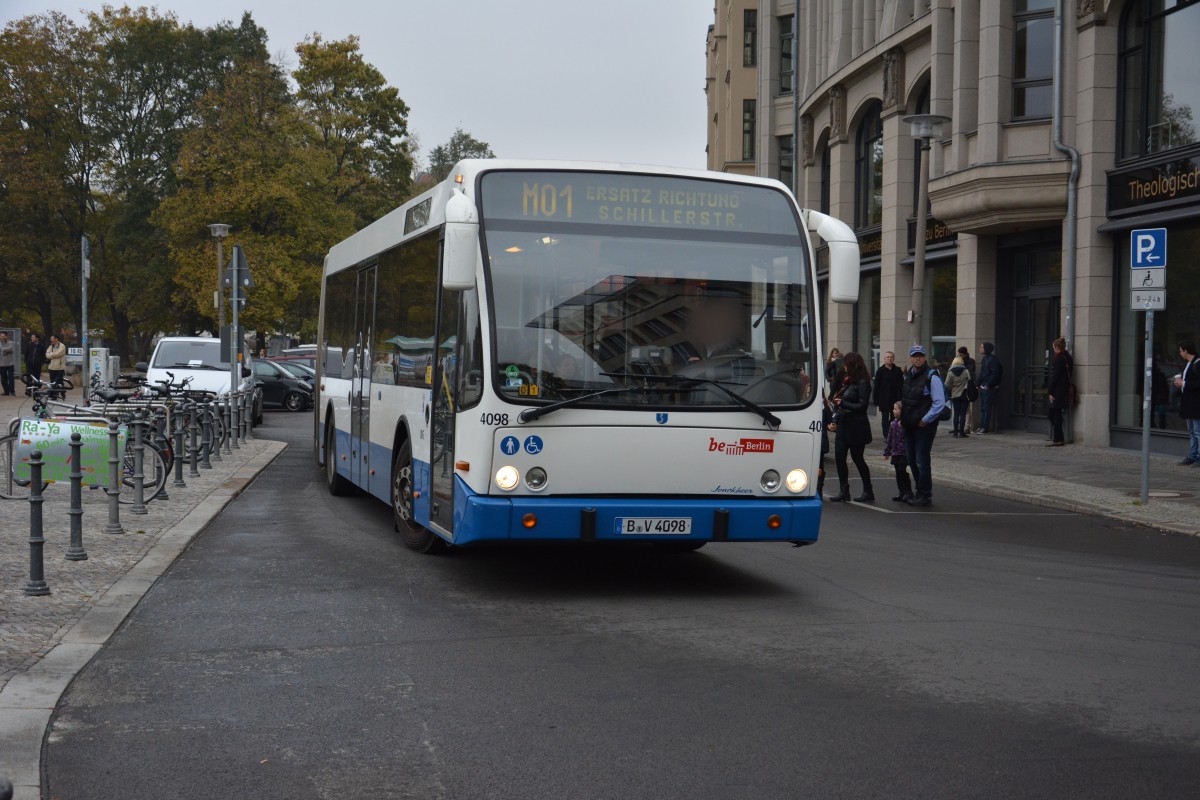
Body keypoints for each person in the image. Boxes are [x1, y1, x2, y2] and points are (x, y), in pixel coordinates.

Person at [900, 344, 946, 507]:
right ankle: (919, 492)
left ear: (925, 357)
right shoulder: (908, 375)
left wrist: (925, 420)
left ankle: (925, 494)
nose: (917, 358)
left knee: (921, 461)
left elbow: (939, 403)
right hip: (909, 424)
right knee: (912, 461)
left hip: (923, 426)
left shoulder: (932, 376)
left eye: (920, 355)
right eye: (914, 356)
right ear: (911, 358)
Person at [826, 351, 874, 503]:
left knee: (857, 458)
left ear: (853, 365)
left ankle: (868, 490)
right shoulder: (847, 381)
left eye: (846, 364)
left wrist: (843, 403)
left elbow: (862, 406)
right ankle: (844, 490)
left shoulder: (863, 382)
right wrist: (835, 419)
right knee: (839, 457)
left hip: (857, 426)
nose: (844, 367)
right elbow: (839, 404)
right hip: (844, 424)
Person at [882, 400, 913, 502]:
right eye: (893, 409)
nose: (893, 410)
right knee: (898, 473)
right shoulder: (893, 424)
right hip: (895, 452)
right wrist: (887, 451)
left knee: (901, 471)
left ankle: (908, 492)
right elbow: (890, 438)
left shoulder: (905, 424)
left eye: (896, 409)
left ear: (902, 411)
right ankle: (901, 492)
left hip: (904, 452)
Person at [1046, 337, 1074, 446]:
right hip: (1064, 389)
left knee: (1053, 414)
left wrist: (1050, 391)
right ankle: (1058, 438)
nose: (1053, 350)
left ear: (1056, 347)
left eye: (1053, 347)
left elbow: (1055, 377)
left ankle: (1058, 439)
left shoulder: (1059, 359)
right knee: (1056, 414)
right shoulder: (1068, 357)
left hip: (1058, 390)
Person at [1176, 340, 1200, 466]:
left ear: (1186, 350)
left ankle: (1198, 456)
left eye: (1181, 351)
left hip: (1196, 404)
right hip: (1189, 403)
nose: (1180, 353)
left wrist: (1184, 383)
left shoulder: (1198, 363)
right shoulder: (1189, 364)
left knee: (1197, 431)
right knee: (1192, 431)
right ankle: (1192, 455)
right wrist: (1181, 384)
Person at [873, 350, 904, 440]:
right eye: (888, 357)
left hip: (895, 398)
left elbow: (902, 385)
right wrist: (876, 400)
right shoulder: (880, 371)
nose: (889, 359)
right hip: (884, 399)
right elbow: (876, 386)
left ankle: (893, 433)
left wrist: (902, 398)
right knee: (885, 418)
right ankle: (886, 435)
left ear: (893, 359)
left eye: (891, 357)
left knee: (895, 417)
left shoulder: (898, 370)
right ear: (884, 359)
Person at [976, 341, 1002, 433]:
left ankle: (985, 427)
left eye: (982, 347)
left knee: (986, 408)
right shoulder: (985, 359)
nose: (980, 349)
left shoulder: (993, 360)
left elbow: (995, 374)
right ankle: (981, 425)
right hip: (983, 385)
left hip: (988, 387)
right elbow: (982, 373)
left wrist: (989, 384)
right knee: (982, 408)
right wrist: (977, 384)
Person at [944, 355, 971, 438]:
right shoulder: (966, 371)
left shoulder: (950, 373)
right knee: (963, 414)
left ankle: (955, 432)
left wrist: (952, 388)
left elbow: (946, 385)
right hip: (964, 394)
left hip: (954, 395)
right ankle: (962, 432)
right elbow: (970, 381)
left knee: (956, 413)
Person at [0, 331, 15, 395]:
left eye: (3, 336)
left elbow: (11, 349)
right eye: (1, 336)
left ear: (6, 336)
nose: (2, 337)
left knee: (11, 378)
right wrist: (6, 350)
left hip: (10, 364)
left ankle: (12, 391)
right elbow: (7, 350)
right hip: (1, 364)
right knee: (3, 379)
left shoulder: (11, 343)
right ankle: (6, 391)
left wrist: (2, 350)